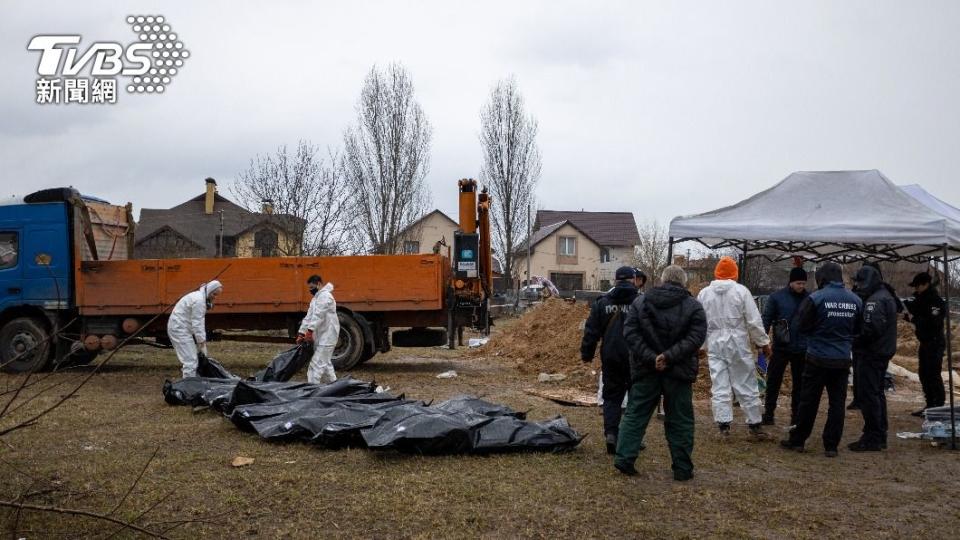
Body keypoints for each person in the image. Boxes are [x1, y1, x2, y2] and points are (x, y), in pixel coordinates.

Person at [616, 265, 706, 481]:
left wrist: (652, 357)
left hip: (647, 369)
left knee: (636, 414)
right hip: (679, 371)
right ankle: (682, 468)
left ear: (663, 280)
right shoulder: (693, 306)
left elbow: (630, 333)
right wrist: (670, 356)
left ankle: (624, 459)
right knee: (680, 420)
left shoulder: (641, 301)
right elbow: (696, 337)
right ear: (683, 281)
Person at [781, 263, 862, 457]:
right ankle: (831, 445)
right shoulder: (856, 300)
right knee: (837, 404)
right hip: (842, 359)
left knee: (808, 401)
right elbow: (858, 330)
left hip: (817, 357)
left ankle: (798, 440)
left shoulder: (815, 298)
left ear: (821, 278)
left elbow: (802, 325)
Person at [697, 256, 772, 438]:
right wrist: (763, 342)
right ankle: (754, 424)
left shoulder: (704, 294)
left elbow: (700, 322)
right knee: (745, 382)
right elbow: (753, 321)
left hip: (715, 342)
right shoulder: (741, 292)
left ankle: (723, 426)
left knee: (720, 384)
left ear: (716, 274)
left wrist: (700, 345)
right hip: (737, 341)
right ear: (735, 274)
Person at [582, 266, 641, 454]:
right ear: (633, 279)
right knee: (636, 398)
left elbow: (591, 331)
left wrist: (587, 353)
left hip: (611, 355)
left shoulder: (603, 302)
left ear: (615, 280)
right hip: (636, 357)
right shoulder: (641, 301)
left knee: (612, 397)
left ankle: (611, 434)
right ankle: (631, 438)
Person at [848, 265, 898, 452]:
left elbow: (871, 330)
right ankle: (878, 434)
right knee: (877, 394)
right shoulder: (885, 295)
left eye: (860, 282)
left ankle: (873, 436)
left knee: (870, 395)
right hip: (880, 352)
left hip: (872, 353)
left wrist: (854, 340)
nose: (858, 286)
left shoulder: (875, 301)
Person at [761, 267, 809, 426]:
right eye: (798, 283)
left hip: (802, 348)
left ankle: (796, 416)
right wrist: (763, 342)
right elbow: (766, 319)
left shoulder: (810, 298)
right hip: (781, 347)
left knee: (799, 385)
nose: (801, 286)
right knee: (774, 381)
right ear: (791, 282)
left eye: (803, 283)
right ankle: (768, 413)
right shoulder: (776, 298)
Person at [904, 271, 947, 416]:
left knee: (933, 374)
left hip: (935, 342)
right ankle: (929, 404)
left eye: (917, 286)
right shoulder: (920, 298)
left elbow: (933, 322)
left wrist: (913, 319)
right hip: (925, 342)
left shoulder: (935, 301)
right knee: (924, 373)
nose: (915, 289)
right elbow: (912, 308)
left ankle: (939, 407)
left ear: (925, 284)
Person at [167, 280, 223, 378]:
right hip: (179, 329)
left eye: (217, 295)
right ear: (209, 290)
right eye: (214, 294)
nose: (215, 297)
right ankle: (188, 386)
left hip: (180, 328)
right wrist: (201, 341)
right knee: (191, 361)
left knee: (192, 359)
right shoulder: (199, 302)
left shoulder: (198, 296)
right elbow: (198, 323)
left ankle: (191, 382)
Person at [297, 274, 340, 384]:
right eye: (309, 288)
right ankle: (334, 387)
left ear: (319, 284)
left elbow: (319, 315)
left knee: (315, 366)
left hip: (329, 335)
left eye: (312, 287)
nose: (310, 290)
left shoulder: (326, 297)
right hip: (321, 335)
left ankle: (312, 391)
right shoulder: (315, 299)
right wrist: (301, 332)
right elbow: (309, 316)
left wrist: (310, 331)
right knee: (326, 365)